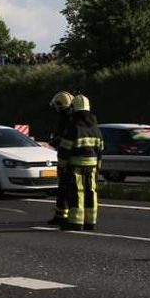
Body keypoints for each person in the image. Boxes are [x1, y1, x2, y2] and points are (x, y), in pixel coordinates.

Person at [59, 95, 103, 232]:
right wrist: (98, 167)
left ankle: (75, 222)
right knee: (91, 192)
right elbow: (100, 150)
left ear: (74, 109)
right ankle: (90, 222)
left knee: (77, 193)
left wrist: (61, 167)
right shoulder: (96, 128)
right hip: (92, 167)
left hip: (76, 167)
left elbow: (64, 150)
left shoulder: (73, 128)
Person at [47, 91, 74, 225]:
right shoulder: (74, 118)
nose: (55, 110)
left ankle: (61, 216)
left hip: (67, 160)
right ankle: (65, 215)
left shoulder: (66, 119)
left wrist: (54, 142)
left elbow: (63, 140)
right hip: (73, 160)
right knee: (68, 189)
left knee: (64, 188)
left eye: (56, 107)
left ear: (60, 105)